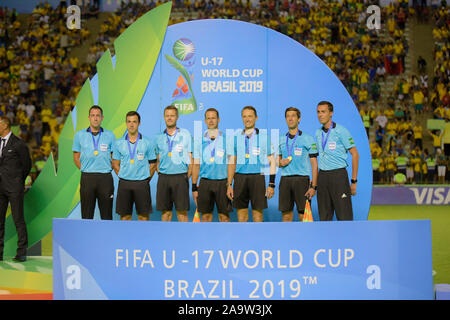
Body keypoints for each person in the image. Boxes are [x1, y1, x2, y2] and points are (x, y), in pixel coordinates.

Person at [226, 106, 276, 222]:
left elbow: (272, 161)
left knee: (257, 216)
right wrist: (229, 184)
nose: (247, 119)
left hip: (257, 178)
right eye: (244, 116)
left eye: (250, 116)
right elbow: (231, 163)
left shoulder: (264, 137)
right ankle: (243, 240)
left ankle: (258, 240)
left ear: (256, 118)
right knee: (241, 217)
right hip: (240, 178)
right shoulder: (235, 138)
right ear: (242, 118)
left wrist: (272, 184)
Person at [315, 101, 359, 221]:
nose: (320, 115)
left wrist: (354, 181)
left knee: (344, 216)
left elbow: (355, 154)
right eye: (318, 112)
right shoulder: (318, 133)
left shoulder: (341, 131)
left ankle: (347, 239)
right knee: (324, 217)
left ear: (331, 113)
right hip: (323, 176)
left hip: (338, 176)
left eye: (323, 112)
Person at [112, 111, 157, 221]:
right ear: (126, 123)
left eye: (134, 122)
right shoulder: (118, 143)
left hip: (142, 184)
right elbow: (115, 164)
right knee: (125, 217)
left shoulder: (148, 142)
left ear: (139, 123)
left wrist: (145, 179)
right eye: (129, 122)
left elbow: (153, 164)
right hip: (124, 183)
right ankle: (126, 238)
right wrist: (123, 176)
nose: (131, 125)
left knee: (143, 217)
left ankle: (143, 238)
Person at [72, 105, 116, 220]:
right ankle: (86, 238)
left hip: (105, 178)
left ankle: (106, 237)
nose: (95, 118)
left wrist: (106, 167)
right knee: (86, 215)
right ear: (89, 118)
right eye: (93, 115)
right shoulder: (79, 135)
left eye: (98, 115)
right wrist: (85, 169)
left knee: (106, 215)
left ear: (102, 118)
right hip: (87, 178)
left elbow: (114, 157)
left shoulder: (110, 135)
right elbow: (76, 157)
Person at [192, 108, 232, 222]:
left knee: (224, 217)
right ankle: (205, 240)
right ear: (205, 121)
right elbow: (196, 165)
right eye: (208, 118)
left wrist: (229, 184)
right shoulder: (199, 141)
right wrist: (194, 187)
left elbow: (231, 164)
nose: (211, 121)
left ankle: (226, 240)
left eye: (213, 118)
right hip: (205, 182)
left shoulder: (227, 140)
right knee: (206, 217)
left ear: (218, 120)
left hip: (222, 182)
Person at [0, 116, 32, 262]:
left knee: (18, 219)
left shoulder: (18, 144)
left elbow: (27, 165)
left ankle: (21, 252)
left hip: (14, 187)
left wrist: (18, 180)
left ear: (5, 125)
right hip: (1, 187)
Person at [278, 107, 318, 222]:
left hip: (302, 180)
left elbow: (314, 165)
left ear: (299, 119)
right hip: (285, 180)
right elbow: (277, 162)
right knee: (286, 216)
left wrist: (313, 186)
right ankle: (286, 240)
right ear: (285, 119)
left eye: (293, 116)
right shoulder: (281, 139)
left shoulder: (308, 139)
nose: (290, 118)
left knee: (304, 215)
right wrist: (280, 163)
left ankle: (307, 239)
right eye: (288, 116)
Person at [155, 105, 193, 222]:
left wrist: (186, 177)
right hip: (164, 178)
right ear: (164, 117)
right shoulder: (158, 138)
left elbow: (191, 160)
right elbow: (157, 160)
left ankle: (185, 239)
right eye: (167, 116)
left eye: (172, 115)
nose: (169, 118)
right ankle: (165, 239)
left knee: (182, 213)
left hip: (180, 178)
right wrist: (162, 174)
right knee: (165, 213)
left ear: (177, 117)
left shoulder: (186, 135)